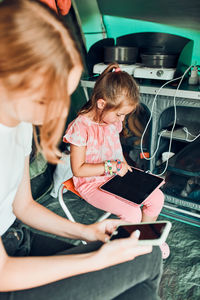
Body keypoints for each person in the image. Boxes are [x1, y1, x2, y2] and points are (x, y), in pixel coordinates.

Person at [0, 1, 162, 299]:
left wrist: (87, 231)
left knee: (142, 254)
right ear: (15, 80)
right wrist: (92, 260)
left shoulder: (19, 125)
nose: (60, 108)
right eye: (51, 95)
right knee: (143, 262)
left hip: (17, 238)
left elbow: (22, 207)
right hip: (7, 274)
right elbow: (3, 272)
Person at [63, 63, 169, 258]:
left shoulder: (112, 121)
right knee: (132, 213)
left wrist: (124, 167)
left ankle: (146, 240)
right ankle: (129, 250)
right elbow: (78, 170)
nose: (121, 120)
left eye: (124, 115)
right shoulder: (80, 128)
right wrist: (111, 166)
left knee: (157, 198)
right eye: (119, 114)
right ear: (101, 104)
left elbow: (115, 148)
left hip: (115, 175)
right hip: (90, 183)